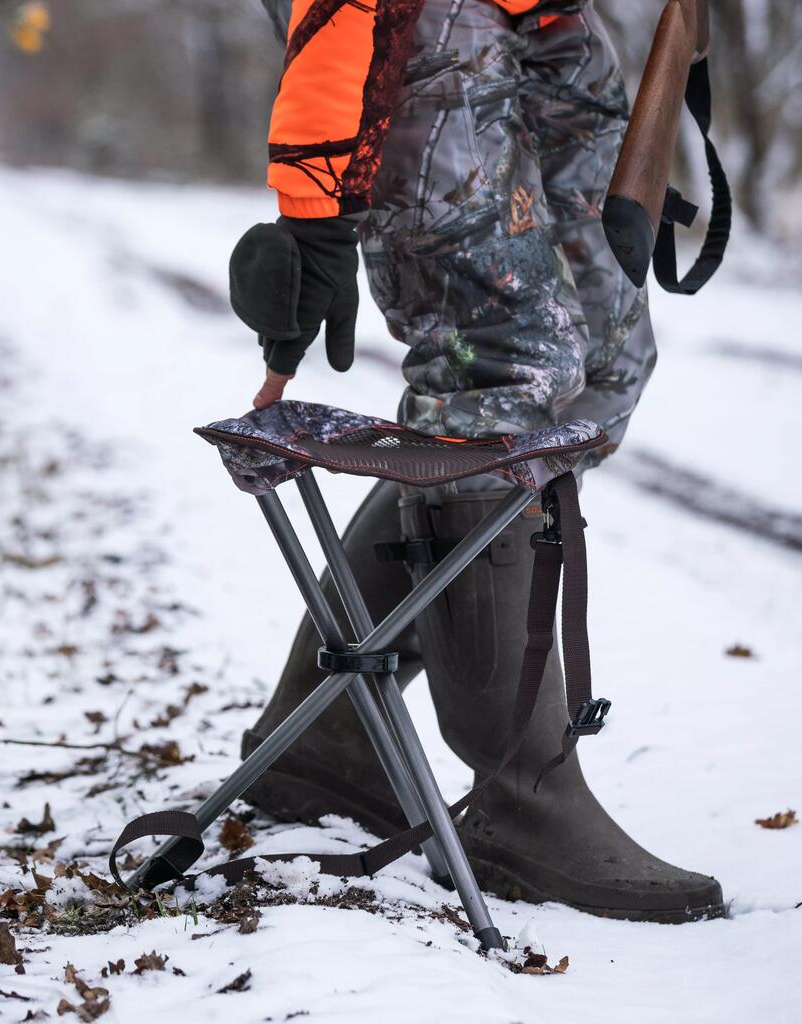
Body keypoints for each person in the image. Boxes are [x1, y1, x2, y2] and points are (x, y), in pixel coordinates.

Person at [229, 0, 724, 922]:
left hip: (549, 19)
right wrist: (313, 195)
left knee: (602, 368)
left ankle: (326, 738)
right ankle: (523, 799)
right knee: (496, 369)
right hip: (416, 26)